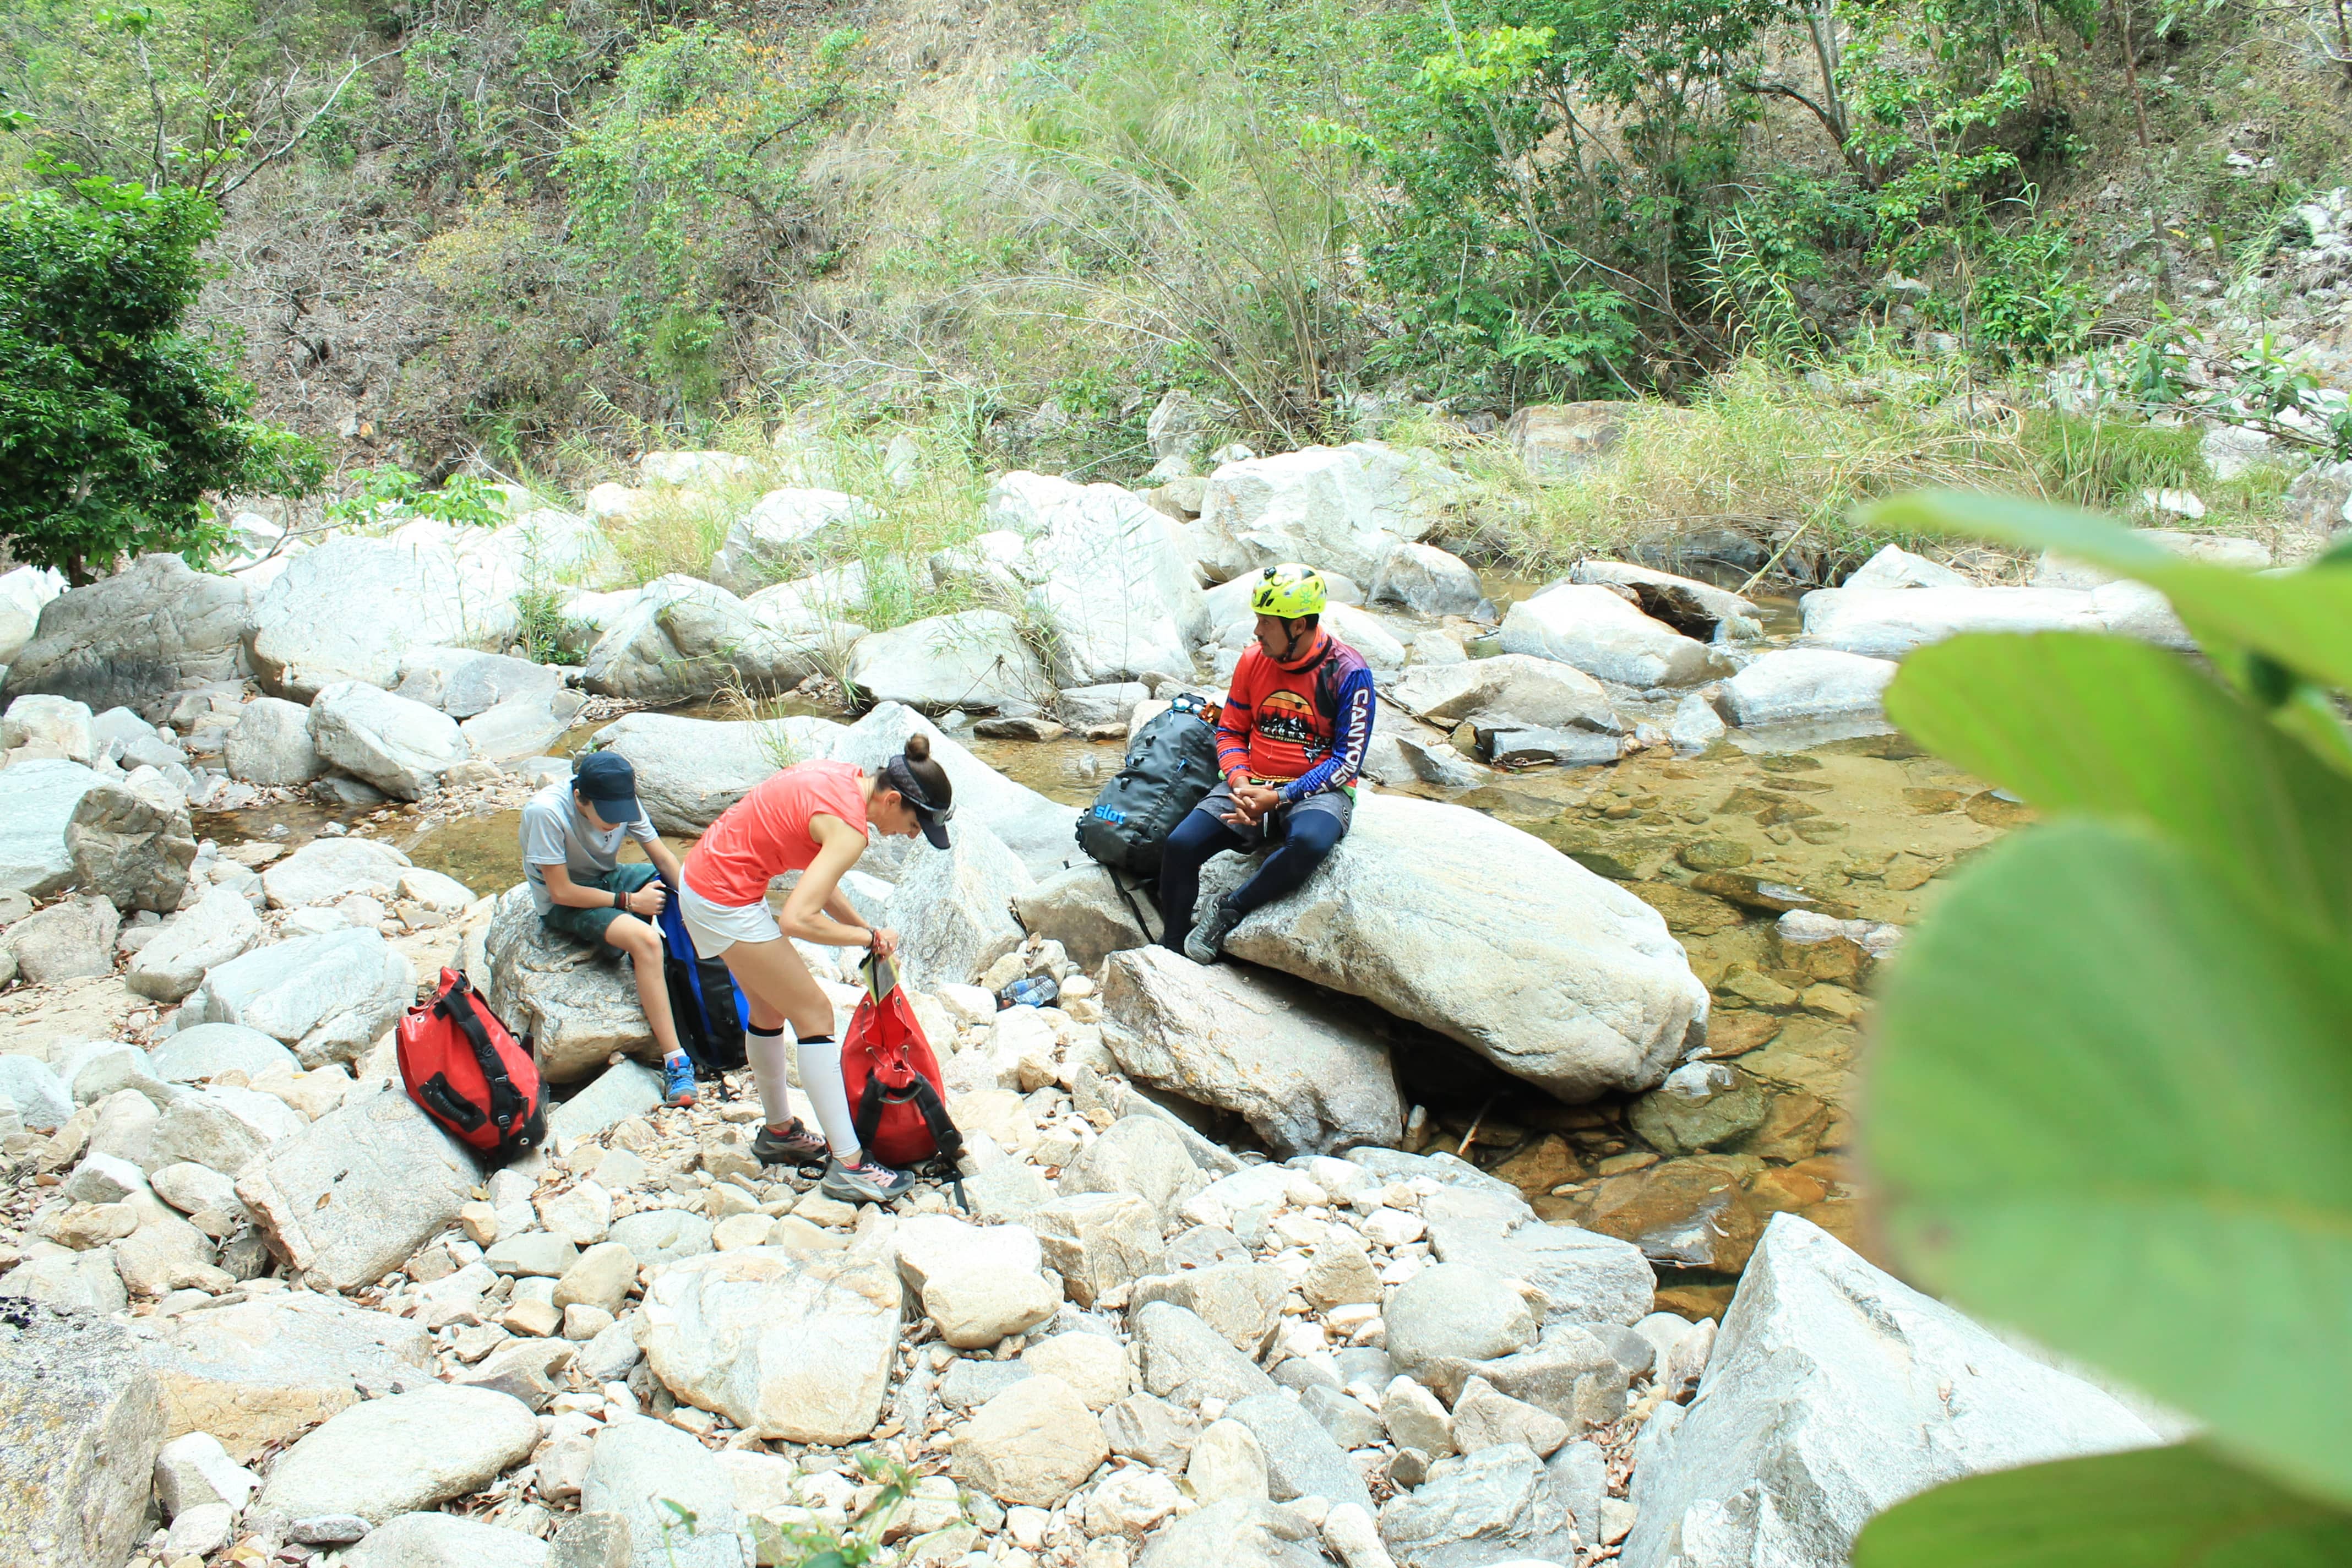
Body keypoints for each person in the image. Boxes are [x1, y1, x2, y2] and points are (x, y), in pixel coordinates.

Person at [676, 733, 955, 1204]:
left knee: (768, 1009)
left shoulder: (842, 780)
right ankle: (849, 1165)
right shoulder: (852, 830)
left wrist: (868, 929)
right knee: (816, 1016)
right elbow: (798, 918)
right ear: (891, 799)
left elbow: (817, 884)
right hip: (725, 899)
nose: (910, 837)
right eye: (913, 825)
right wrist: (865, 939)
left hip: (706, 880)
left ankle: (780, 1132)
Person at [1160, 562, 1373, 963]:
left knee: (1310, 841)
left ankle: (1229, 909)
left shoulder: (1349, 673)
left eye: (1266, 622)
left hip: (1317, 790)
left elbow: (1348, 762)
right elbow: (1229, 731)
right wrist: (1240, 783)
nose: (1257, 630)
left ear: (1298, 626)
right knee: (1181, 844)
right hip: (1250, 783)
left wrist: (1280, 797)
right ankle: (1172, 947)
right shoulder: (1253, 659)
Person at [520, 753, 698, 1108]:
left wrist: (699, 906)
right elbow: (561, 891)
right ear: (580, 798)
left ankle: (704, 996)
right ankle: (676, 1060)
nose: (616, 824)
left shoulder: (622, 802)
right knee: (645, 941)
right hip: (567, 901)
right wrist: (631, 903)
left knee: (686, 890)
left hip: (607, 880)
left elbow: (663, 858)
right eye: (608, 817)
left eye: (622, 815)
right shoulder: (546, 813)